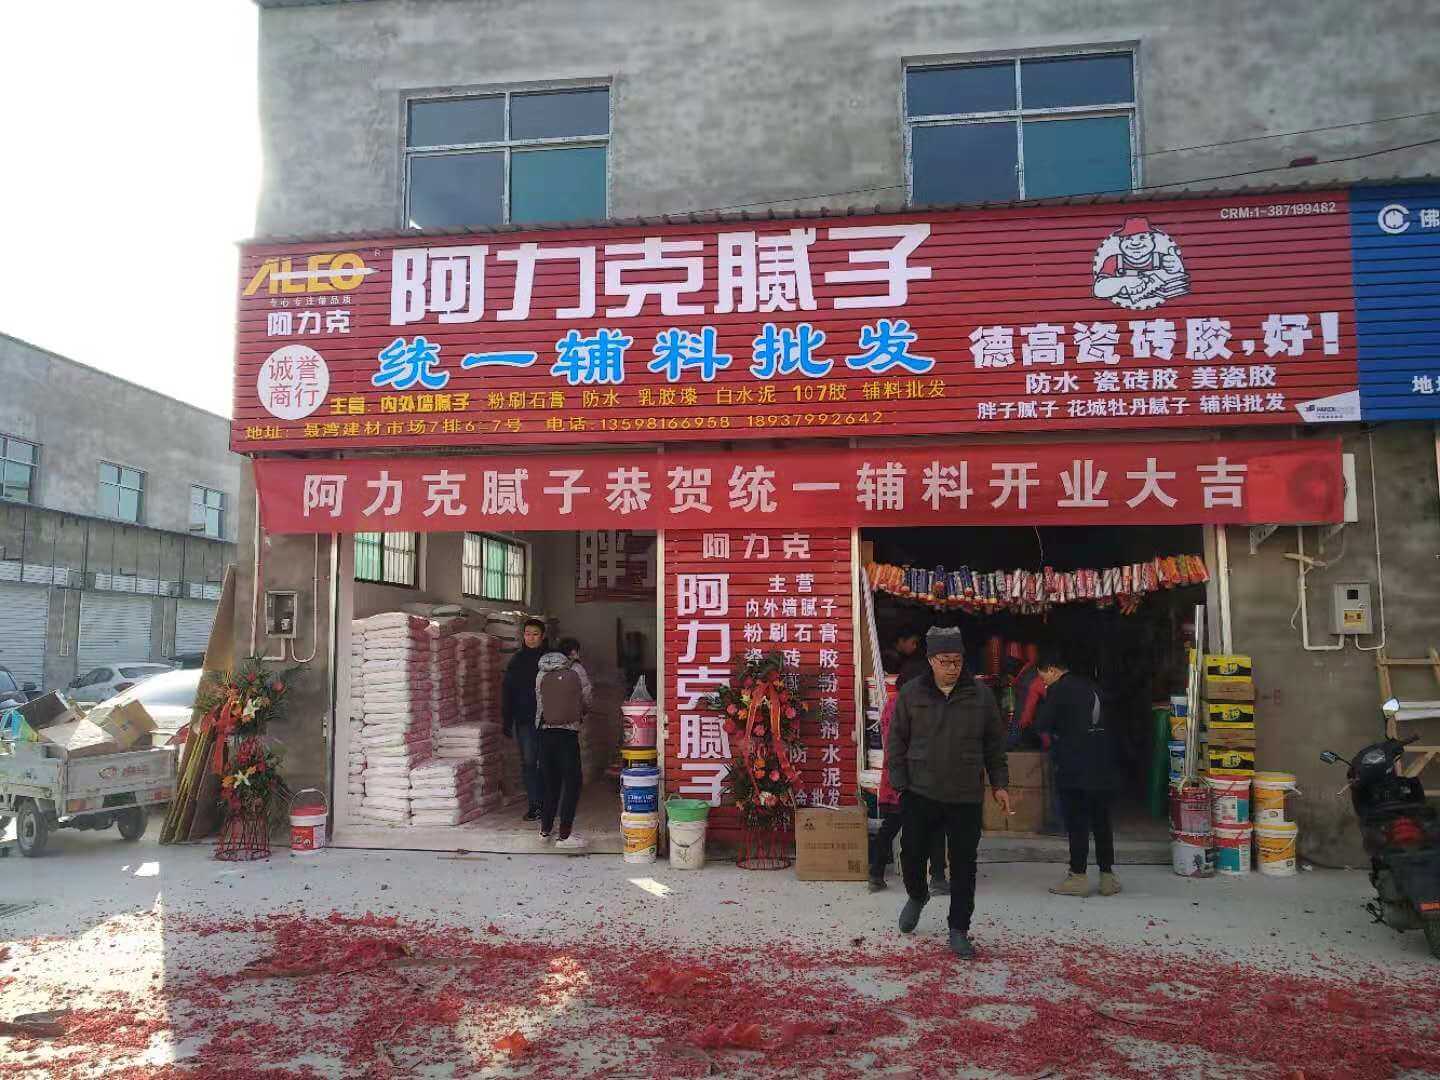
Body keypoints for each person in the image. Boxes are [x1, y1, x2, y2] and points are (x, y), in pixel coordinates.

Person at [887, 626, 1010, 959]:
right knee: (912, 854)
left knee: (964, 864)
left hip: (964, 794)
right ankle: (917, 895)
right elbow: (896, 740)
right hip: (919, 790)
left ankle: (958, 928)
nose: (953, 667)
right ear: (931, 660)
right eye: (945, 661)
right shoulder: (912, 693)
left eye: (957, 660)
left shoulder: (980, 695)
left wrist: (1000, 784)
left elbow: (994, 744)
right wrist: (900, 784)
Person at [1034, 646, 1121, 898]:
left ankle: (1078, 876)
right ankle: (1107, 877)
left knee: (1077, 822)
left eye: (1043, 676)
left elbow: (1042, 724)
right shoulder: (1093, 687)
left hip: (1074, 766)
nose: (1043, 681)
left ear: (1052, 670)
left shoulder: (1058, 690)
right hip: (1103, 763)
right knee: (1102, 821)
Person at [870, 670, 950, 896]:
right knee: (935, 826)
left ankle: (876, 874)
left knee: (891, 826)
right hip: (917, 777)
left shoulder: (891, 705)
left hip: (895, 777)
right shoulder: (916, 706)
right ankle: (937, 877)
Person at [534, 636, 593, 850]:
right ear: (573, 652)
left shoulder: (541, 671)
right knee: (573, 782)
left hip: (545, 732)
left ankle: (545, 831)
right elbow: (587, 697)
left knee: (550, 783)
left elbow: (540, 702)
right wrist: (580, 712)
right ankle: (565, 835)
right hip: (567, 733)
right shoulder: (576, 670)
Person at [501, 618, 548, 821]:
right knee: (529, 762)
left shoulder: (551, 660)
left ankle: (550, 803)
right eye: (527, 634)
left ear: (543, 636)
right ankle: (535, 805)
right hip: (525, 720)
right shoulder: (517, 661)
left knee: (548, 762)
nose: (531, 638)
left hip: (549, 720)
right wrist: (507, 720)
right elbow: (508, 692)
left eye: (535, 634)